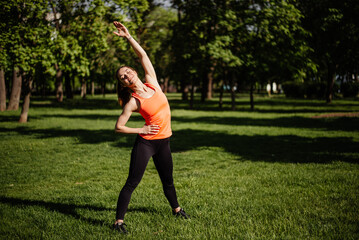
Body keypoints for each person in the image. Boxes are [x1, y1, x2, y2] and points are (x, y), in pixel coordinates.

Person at [112, 21, 189, 234]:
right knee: (132, 182)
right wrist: (141, 130)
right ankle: (119, 222)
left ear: (134, 72)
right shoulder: (133, 101)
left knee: (168, 181)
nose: (126, 76)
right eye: (122, 77)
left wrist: (128, 37)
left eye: (127, 72)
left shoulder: (152, 82)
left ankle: (177, 210)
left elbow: (143, 55)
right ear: (124, 83)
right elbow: (119, 127)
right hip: (146, 144)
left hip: (164, 142)